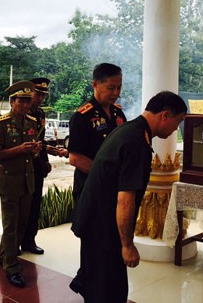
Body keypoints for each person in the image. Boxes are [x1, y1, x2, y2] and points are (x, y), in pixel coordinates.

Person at [71, 91, 187, 302]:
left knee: (97, 281)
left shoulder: (129, 129)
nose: (175, 130)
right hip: (102, 225)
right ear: (165, 115)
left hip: (94, 220)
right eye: (177, 122)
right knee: (108, 290)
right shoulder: (136, 142)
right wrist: (127, 245)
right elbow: (125, 199)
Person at [68, 63, 126, 294]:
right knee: (93, 245)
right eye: (111, 87)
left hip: (114, 191)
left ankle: (104, 288)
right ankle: (90, 288)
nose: (115, 93)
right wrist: (106, 177)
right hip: (91, 190)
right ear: (95, 84)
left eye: (119, 87)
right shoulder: (82, 117)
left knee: (111, 243)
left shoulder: (118, 114)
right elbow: (75, 158)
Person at [0, 81, 41, 288]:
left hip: (27, 180)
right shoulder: (1, 123)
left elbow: (33, 152)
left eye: (29, 101)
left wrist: (35, 149)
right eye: (22, 101)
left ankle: (5, 257)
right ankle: (11, 267)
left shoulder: (31, 122)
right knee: (10, 225)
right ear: (12, 102)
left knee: (22, 222)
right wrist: (19, 150)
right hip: (9, 180)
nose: (26, 105)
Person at [20, 78, 68, 255]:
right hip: (22, 166)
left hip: (36, 165)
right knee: (20, 206)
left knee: (35, 204)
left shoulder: (40, 114)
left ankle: (29, 240)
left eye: (42, 95)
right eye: (37, 94)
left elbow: (39, 140)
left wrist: (46, 158)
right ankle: (14, 242)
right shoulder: (20, 112)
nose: (40, 98)